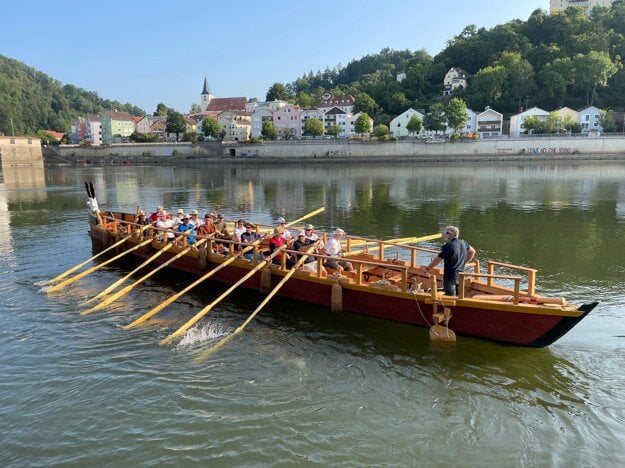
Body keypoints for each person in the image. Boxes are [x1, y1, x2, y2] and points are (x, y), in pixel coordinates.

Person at [425, 225, 476, 296]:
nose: (445, 234)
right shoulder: (464, 243)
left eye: (447, 233)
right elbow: (472, 251)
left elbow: (438, 259)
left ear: (453, 234)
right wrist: (465, 262)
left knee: (450, 297)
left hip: (450, 276)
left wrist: (427, 268)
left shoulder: (448, 246)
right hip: (461, 274)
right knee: (458, 296)